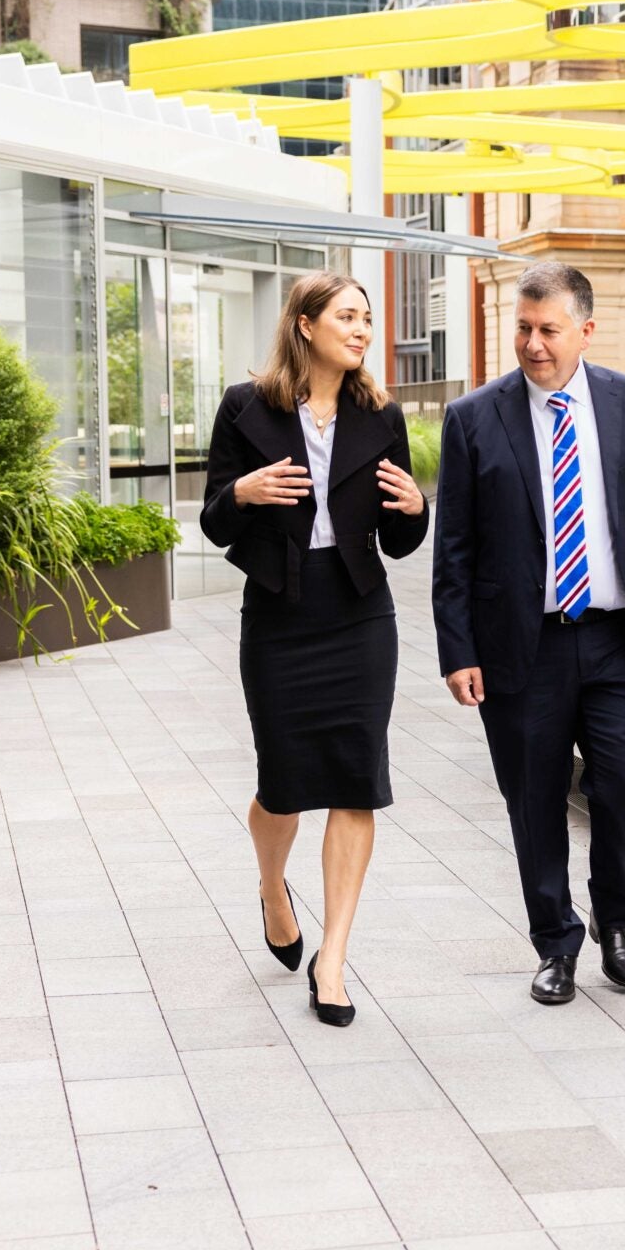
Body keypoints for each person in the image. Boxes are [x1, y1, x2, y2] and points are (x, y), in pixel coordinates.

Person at [432, 262, 625, 1005]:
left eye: (548, 330)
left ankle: (616, 922)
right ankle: (556, 943)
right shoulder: (475, 417)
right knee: (534, 801)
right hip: (522, 649)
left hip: (619, 643)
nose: (534, 344)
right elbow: (455, 550)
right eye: (523, 328)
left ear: (585, 330)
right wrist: (459, 651)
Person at [200, 271, 428, 1028]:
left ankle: (332, 961)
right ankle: (273, 889)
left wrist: (417, 508)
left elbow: (398, 540)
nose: (363, 331)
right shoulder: (246, 406)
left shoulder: (380, 413)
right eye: (348, 317)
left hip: (360, 614)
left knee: (356, 781)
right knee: (284, 783)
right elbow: (212, 521)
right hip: (279, 612)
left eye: (368, 319)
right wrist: (242, 495)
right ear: (305, 324)